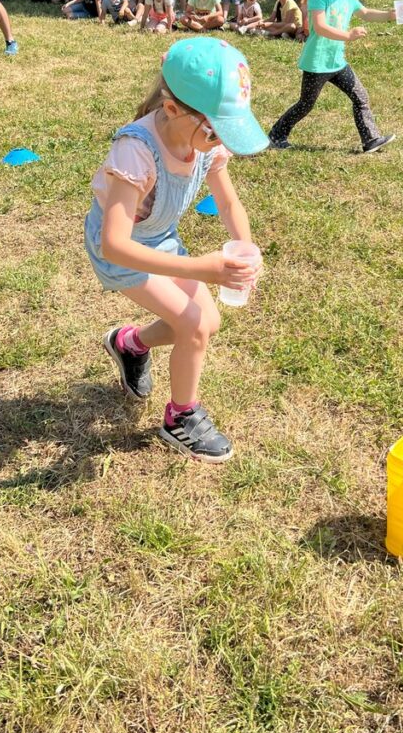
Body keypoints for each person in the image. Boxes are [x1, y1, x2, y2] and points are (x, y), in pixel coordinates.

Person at [84, 38, 268, 462]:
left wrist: (246, 249)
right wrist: (203, 269)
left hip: (159, 238)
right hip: (121, 251)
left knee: (208, 322)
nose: (220, 140)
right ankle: (180, 417)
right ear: (172, 109)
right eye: (215, 129)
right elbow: (115, 244)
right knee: (192, 324)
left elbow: (228, 203)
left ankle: (130, 344)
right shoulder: (136, 151)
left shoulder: (204, 142)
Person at [268, 0, 397, 154]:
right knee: (306, 104)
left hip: (337, 62)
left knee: (360, 97)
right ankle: (276, 134)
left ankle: (371, 139)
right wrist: (348, 35)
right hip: (317, 63)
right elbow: (319, 27)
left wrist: (389, 15)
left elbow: (365, 13)